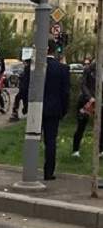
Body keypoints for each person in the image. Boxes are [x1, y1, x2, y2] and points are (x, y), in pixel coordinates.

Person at [41, 41, 71, 181]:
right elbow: (65, 93)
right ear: (54, 51)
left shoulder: (36, 67)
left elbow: (25, 87)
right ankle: (48, 172)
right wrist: (64, 110)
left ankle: (29, 167)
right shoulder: (62, 69)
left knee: (32, 138)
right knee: (50, 141)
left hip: (37, 108)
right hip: (54, 109)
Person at [71, 61, 99, 158]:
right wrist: (89, 97)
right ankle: (75, 150)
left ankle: (100, 150)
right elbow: (83, 85)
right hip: (86, 101)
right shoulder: (89, 69)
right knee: (81, 126)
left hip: (99, 101)